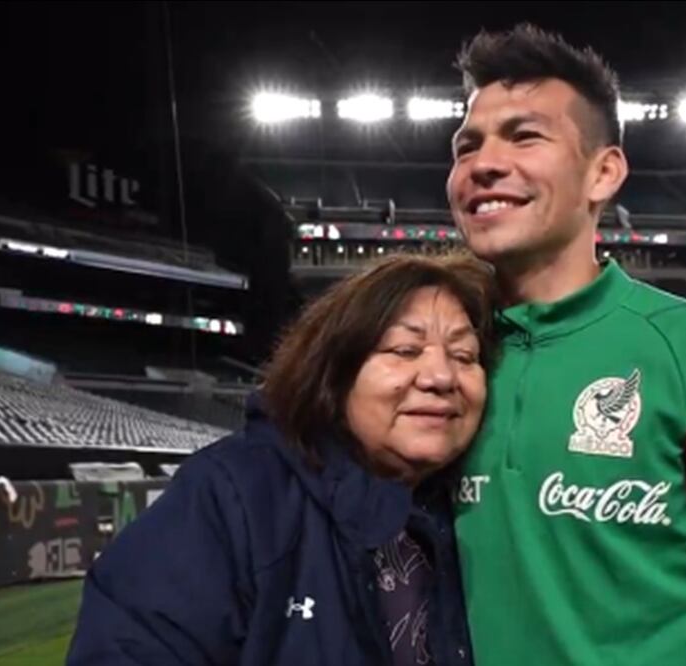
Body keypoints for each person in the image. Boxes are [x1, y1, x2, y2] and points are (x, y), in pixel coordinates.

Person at [446, 24, 686, 666]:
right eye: (467, 145)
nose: (482, 164)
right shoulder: (441, 361)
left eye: (525, 136)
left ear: (603, 173)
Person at [67, 254, 497, 666]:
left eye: (464, 356)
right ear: (334, 372)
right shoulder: (232, 496)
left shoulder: (479, 510)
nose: (441, 377)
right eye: (405, 350)